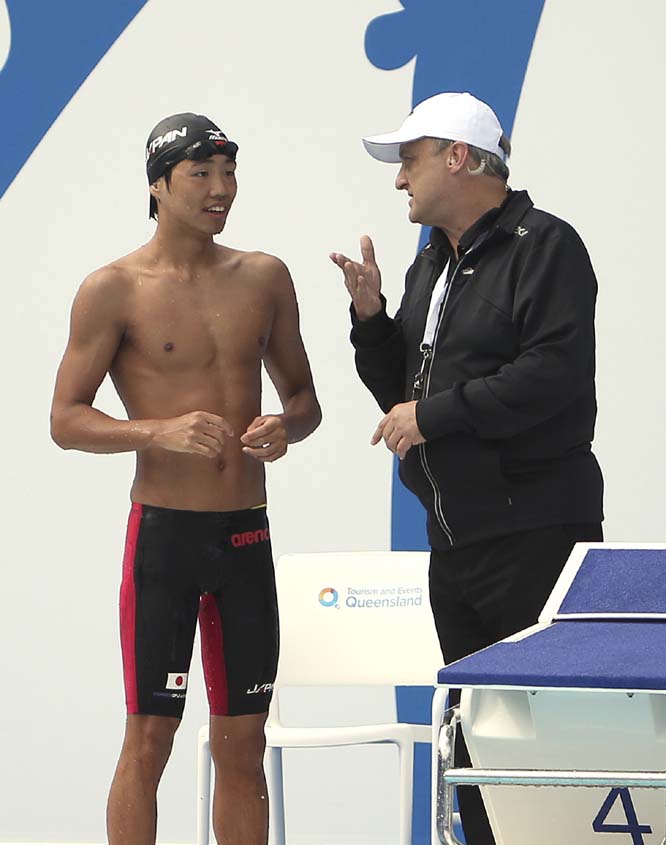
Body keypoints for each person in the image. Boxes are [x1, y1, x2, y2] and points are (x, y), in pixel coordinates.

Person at [330, 92, 603, 844]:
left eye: (409, 161)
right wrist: (371, 320)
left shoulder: (546, 246)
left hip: (537, 535)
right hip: (455, 547)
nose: (398, 182)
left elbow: (551, 377)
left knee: (546, 746)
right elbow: (403, 397)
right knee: (475, 748)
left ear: (458, 157)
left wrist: (433, 415)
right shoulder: (432, 264)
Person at [50, 112, 321, 845]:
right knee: (150, 739)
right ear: (158, 186)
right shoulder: (113, 289)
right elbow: (66, 419)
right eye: (201, 174)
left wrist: (282, 428)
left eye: (228, 173)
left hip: (244, 537)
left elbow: (306, 401)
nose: (220, 189)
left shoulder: (264, 276)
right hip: (165, 536)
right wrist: (155, 430)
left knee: (244, 743)